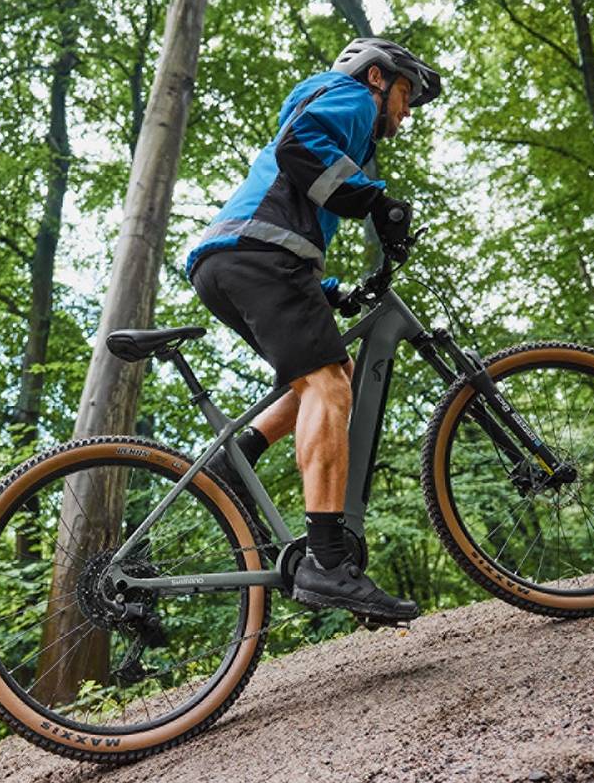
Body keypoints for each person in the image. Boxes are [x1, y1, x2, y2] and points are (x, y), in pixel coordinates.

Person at [186, 38, 441, 622]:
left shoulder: (330, 108)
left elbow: (286, 197)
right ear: (377, 78)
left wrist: (330, 292)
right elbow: (300, 148)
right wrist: (376, 202)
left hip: (235, 259)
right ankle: (327, 562)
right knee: (329, 388)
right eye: (406, 94)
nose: (407, 111)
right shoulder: (351, 97)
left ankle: (234, 463)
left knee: (326, 375)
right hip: (258, 257)